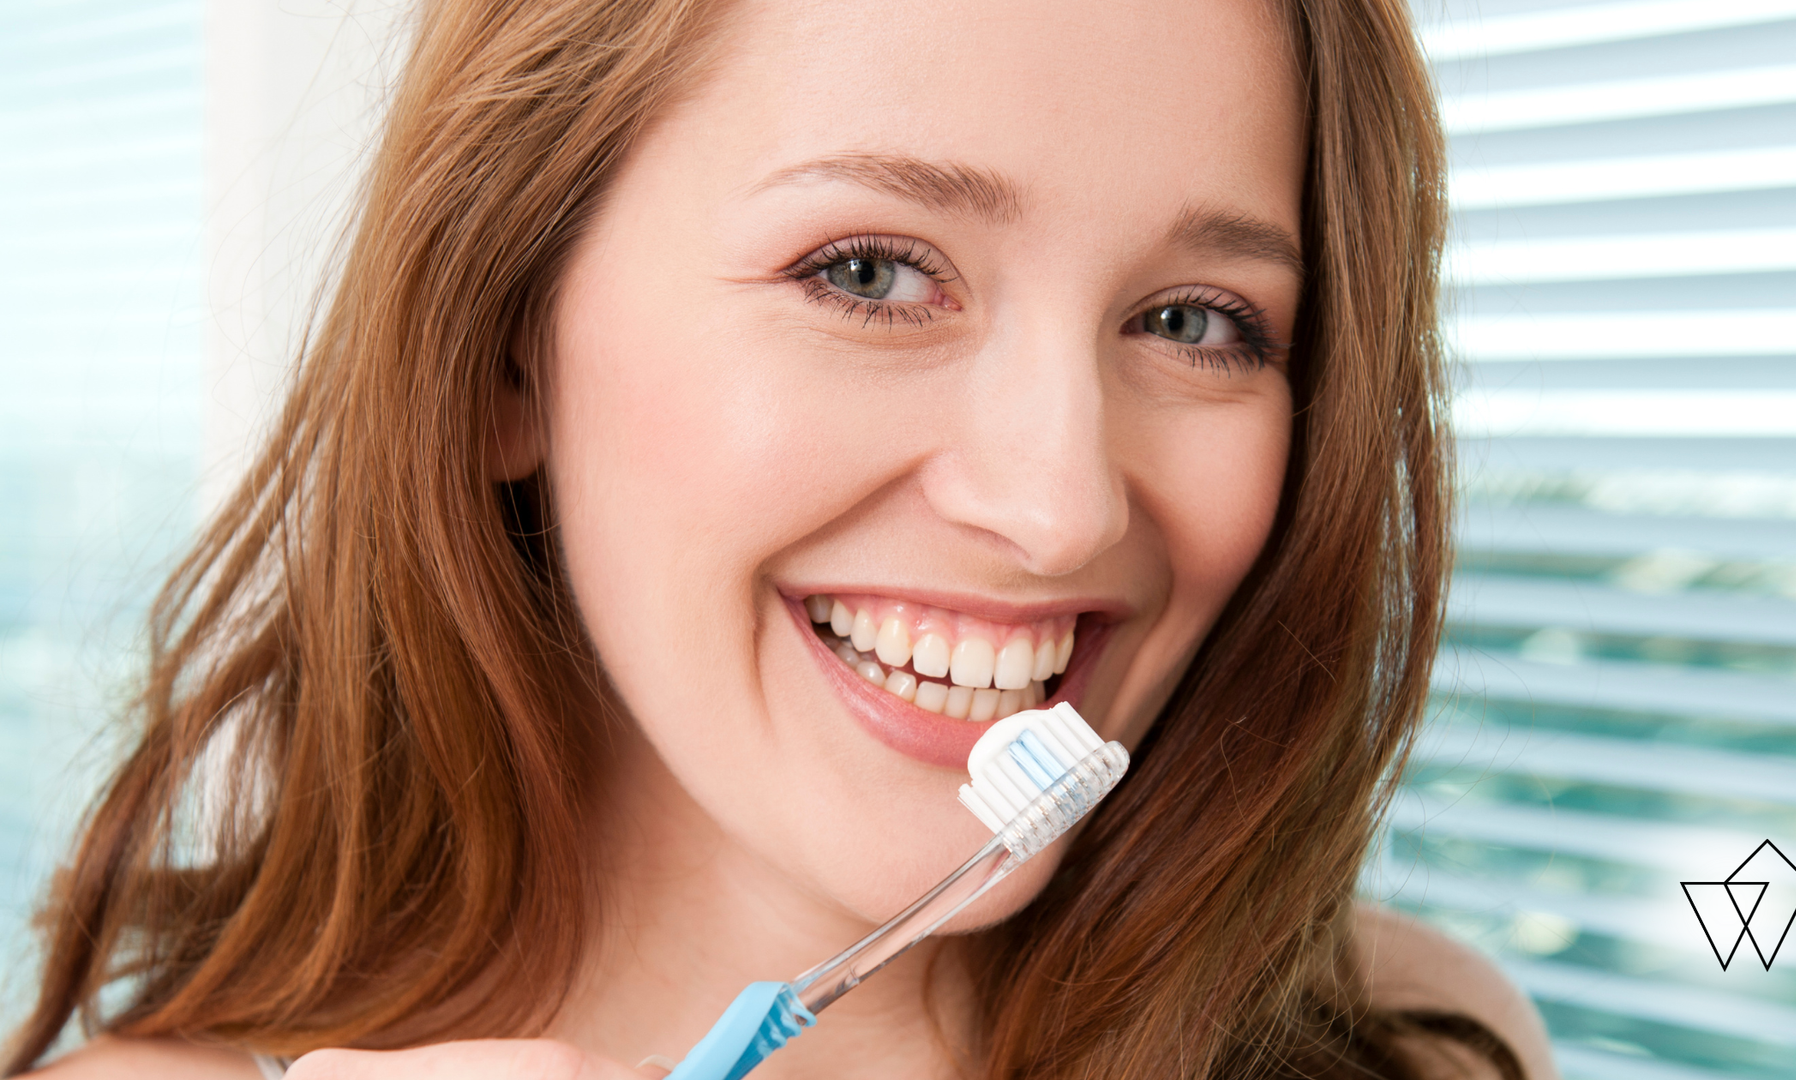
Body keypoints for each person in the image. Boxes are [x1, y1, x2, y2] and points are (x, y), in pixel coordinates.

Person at [9, 0, 1556, 1076]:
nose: (1060, 503)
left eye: (1193, 320)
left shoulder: (1414, 1042)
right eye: (872, 273)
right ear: (501, 346)